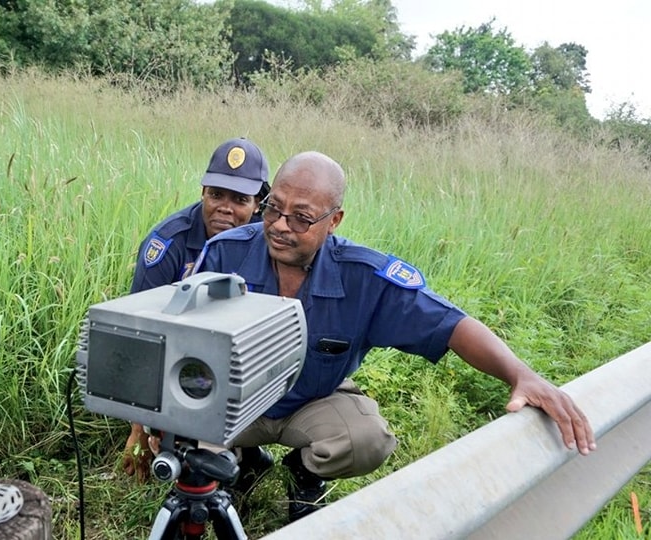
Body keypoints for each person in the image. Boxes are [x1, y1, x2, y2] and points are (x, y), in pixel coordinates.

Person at [194, 151, 596, 523]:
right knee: (180, 438)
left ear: (334, 221)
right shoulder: (224, 254)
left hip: (311, 402)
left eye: (301, 217)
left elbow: (451, 324)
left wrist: (519, 374)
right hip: (237, 401)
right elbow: (185, 335)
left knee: (366, 438)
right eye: (273, 209)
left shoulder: (364, 277)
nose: (280, 226)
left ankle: (304, 474)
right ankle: (244, 461)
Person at [121, 137, 272, 481]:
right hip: (177, 356)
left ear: (259, 204)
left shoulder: (269, 244)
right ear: (203, 190)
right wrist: (138, 431)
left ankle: (248, 452)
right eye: (216, 194)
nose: (225, 208)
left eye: (240, 199)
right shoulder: (169, 242)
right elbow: (139, 333)